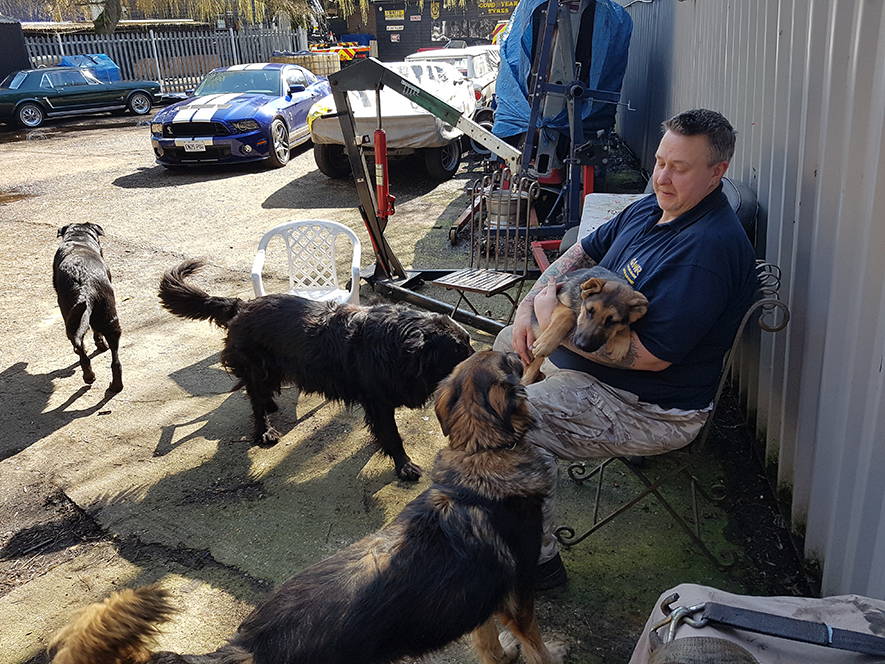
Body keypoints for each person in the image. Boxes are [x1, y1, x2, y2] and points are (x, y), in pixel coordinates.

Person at [494, 109, 758, 590]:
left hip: (648, 407)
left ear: (717, 172)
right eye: (661, 161)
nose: (662, 177)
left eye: (679, 168)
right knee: (493, 363)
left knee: (506, 423)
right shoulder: (651, 207)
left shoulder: (707, 251)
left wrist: (553, 326)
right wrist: (530, 305)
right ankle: (494, 509)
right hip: (588, 372)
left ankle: (536, 563)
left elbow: (651, 356)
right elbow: (580, 253)